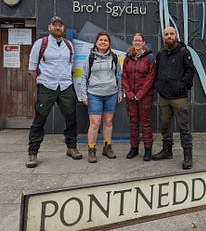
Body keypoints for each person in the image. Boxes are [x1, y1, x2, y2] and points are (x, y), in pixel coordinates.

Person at [26, 16, 82, 168]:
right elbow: (32, 68)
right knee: (39, 120)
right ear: (49, 27)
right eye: (55, 25)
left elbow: (70, 65)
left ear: (63, 28)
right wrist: (42, 81)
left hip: (65, 86)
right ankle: (33, 153)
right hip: (47, 86)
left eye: (61, 25)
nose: (58, 28)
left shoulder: (68, 45)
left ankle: (71, 147)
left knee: (71, 119)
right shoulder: (41, 44)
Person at [152, 26, 196, 169]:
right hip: (164, 96)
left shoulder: (184, 52)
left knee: (184, 126)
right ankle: (167, 151)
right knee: (165, 125)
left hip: (178, 97)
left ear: (176, 35)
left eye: (171, 34)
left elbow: (190, 70)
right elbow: (157, 71)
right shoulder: (160, 53)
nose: (169, 36)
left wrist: (181, 85)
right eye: (166, 34)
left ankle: (188, 156)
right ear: (163, 37)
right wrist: (158, 85)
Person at [80, 31, 123, 163]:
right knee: (95, 123)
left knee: (108, 122)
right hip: (94, 95)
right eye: (101, 40)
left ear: (109, 43)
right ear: (96, 42)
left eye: (105, 40)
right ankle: (91, 150)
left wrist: (120, 92)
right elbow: (84, 76)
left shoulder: (115, 57)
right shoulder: (90, 57)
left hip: (111, 94)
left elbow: (119, 76)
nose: (103, 42)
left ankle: (107, 147)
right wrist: (84, 95)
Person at [121, 33, 156, 161]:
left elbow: (150, 78)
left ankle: (148, 149)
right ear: (132, 42)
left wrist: (140, 93)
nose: (137, 43)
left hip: (145, 96)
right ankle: (134, 148)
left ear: (143, 42)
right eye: (135, 40)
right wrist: (129, 93)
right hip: (131, 97)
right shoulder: (128, 58)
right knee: (133, 123)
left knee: (146, 123)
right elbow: (124, 77)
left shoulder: (150, 58)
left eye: (139, 40)